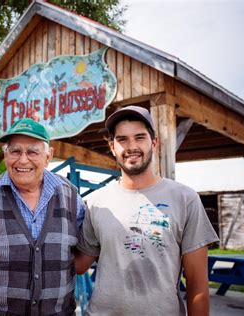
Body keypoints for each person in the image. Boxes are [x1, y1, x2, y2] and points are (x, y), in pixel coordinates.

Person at [75, 105, 219, 316]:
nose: (131, 146)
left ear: (154, 143)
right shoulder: (96, 202)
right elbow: (79, 265)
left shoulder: (185, 199)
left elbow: (197, 287)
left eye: (139, 137)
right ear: (112, 146)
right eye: (122, 139)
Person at [0, 118, 87, 315]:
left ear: (48, 156)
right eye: (15, 151)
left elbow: (86, 251)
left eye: (32, 152)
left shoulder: (72, 198)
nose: (23, 160)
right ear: (5, 155)